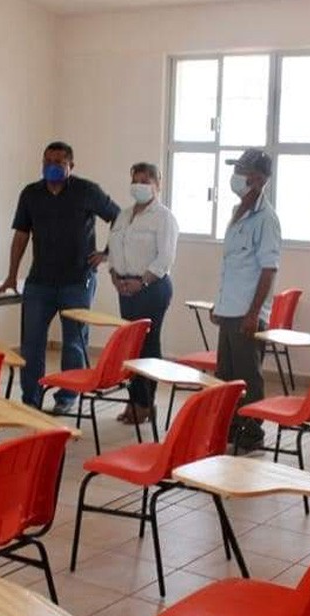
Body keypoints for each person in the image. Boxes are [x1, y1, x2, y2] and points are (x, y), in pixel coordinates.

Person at [0, 141, 121, 413]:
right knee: (31, 345)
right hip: (39, 282)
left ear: (70, 166)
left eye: (58, 163)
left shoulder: (87, 191)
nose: (51, 167)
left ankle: (67, 397)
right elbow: (21, 236)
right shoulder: (31, 194)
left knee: (74, 344)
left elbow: (119, 218)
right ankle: (31, 400)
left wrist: (107, 253)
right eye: (47, 161)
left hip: (77, 281)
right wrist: (11, 275)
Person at [212, 149, 281, 451]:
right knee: (225, 374)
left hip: (247, 312)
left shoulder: (266, 219)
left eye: (243, 170)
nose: (237, 176)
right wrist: (220, 304)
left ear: (259, 178)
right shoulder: (237, 212)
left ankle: (252, 432)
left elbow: (268, 270)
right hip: (230, 308)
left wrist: (254, 313)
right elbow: (232, 267)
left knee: (247, 375)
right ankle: (229, 428)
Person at [103, 162, 179, 424]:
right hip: (125, 288)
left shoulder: (164, 217)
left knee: (147, 344)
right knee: (131, 345)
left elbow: (165, 258)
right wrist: (114, 275)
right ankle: (134, 401)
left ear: (158, 185)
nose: (141, 185)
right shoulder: (124, 215)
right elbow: (114, 248)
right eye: (137, 179)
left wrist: (142, 282)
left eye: (147, 181)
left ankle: (145, 403)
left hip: (152, 288)